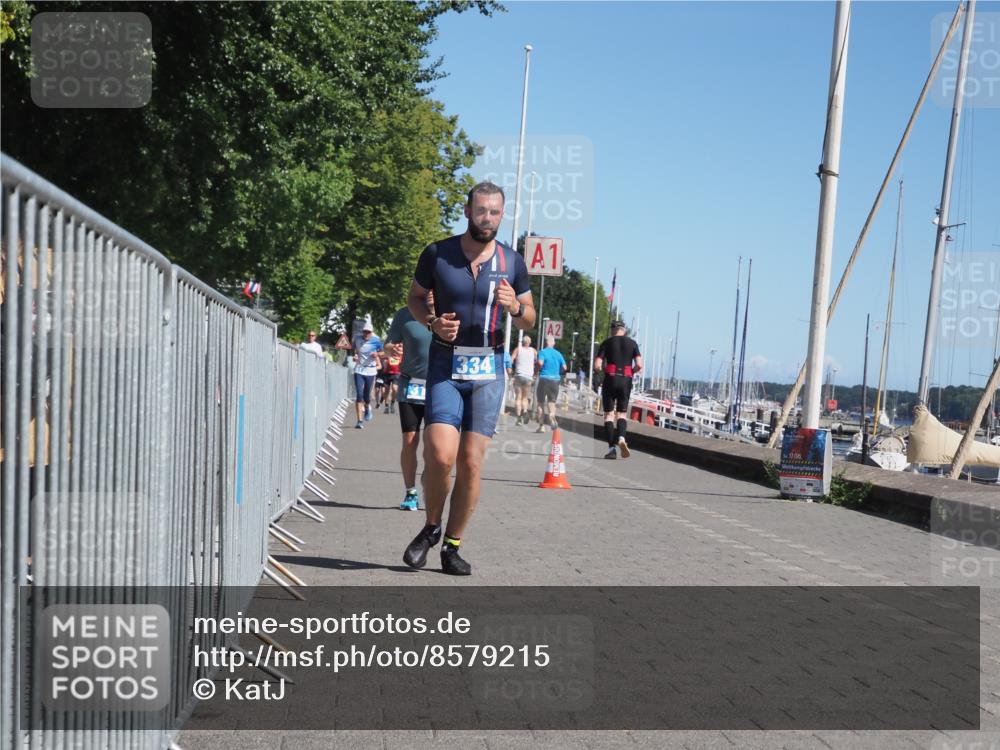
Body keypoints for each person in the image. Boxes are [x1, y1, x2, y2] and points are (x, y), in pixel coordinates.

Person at [402, 181, 535, 575]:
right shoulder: (438, 253)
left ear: (502, 214)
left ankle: (452, 546)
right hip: (446, 364)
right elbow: (413, 298)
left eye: (495, 212)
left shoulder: (513, 262)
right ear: (467, 210)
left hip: (489, 369)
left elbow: (530, 316)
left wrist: (515, 308)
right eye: (481, 211)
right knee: (440, 455)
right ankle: (430, 527)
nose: (488, 219)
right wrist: (431, 322)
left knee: (472, 463)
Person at [385, 301, 433, 511]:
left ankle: (430, 484)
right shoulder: (405, 314)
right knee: (410, 441)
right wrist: (392, 348)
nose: (431, 291)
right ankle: (410, 491)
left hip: (439, 387)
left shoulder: (451, 311)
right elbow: (387, 345)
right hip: (410, 385)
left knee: (435, 446)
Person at [594, 321, 642, 459]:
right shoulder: (633, 344)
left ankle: (611, 449)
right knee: (621, 414)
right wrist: (631, 372)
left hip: (610, 378)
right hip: (626, 380)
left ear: (612, 330)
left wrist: (601, 371)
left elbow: (597, 365)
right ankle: (621, 438)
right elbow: (639, 365)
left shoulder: (606, 343)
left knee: (609, 415)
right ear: (624, 330)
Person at [352, 319, 383, 429]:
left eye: (368, 332)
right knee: (359, 395)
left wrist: (377, 354)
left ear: (371, 332)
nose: (366, 334)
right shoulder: (357, 339)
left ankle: (367, 406)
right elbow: (354, 350)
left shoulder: (376, 341)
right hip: (359, 369)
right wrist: (355, 356)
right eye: (365, 331)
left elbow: (384, 353)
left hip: (370, 371)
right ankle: (359, 421)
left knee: (366, 396)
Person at [534, 335, 567, 433]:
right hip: (555, 380)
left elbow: (540, 363)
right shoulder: (558, 354)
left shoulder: (542, 352)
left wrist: (536, 371)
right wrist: (558, 372)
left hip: (544, 378)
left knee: (540, 403)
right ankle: (552, 417)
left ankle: (541, 426)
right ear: (553, 343)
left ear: (545, 343)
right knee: (551, 402)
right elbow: (565, 368)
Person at [510, 335, 537, 425]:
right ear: (529, 343)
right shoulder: (533, 351)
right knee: (525, 397)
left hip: (519, 375)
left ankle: (518, 418)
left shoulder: (518, 349)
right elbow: (538, 361)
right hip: (528, 376)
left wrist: (512, 369)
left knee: (518, 397)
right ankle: (525, 411)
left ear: (522, 342)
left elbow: (511, 359)